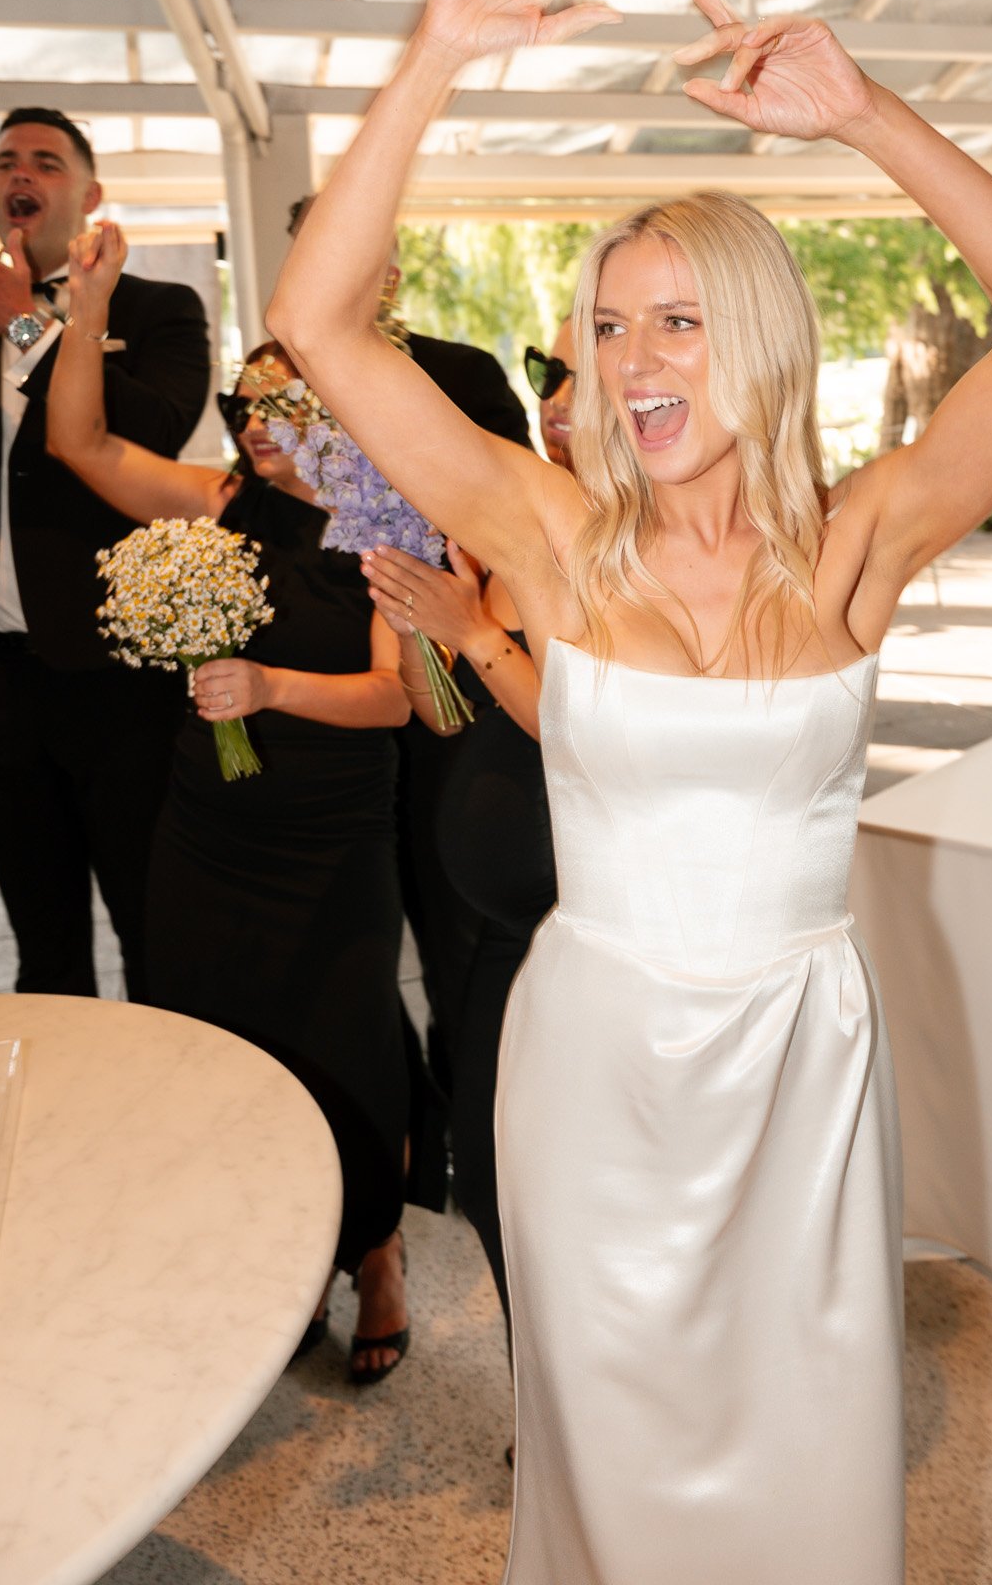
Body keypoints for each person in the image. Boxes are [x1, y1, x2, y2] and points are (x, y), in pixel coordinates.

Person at [267, 0, 992, 1584]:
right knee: (614, 1445)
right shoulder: (552, 536)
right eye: (605, 323)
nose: (632, 362)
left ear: (761, 330)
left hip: (801, 1066)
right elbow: (323, 321)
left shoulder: (864, 540)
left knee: (802, 1453)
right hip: (598, 1070)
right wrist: (437, 46)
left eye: (675, 319)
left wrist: (863, 115)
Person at [45, 222, 414, 1384]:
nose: (252, 421)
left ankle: (381, 1252)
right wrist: (90, 300)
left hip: (326, 841)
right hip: (206, 834)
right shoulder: (213, 505)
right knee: (224, 1043)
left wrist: (267, 684)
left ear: (340, 408)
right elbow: (80, 438)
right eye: (242, 401)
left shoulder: (384, 527)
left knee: (345, 1041)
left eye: (278, 401)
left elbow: (400, 698)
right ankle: (283, 1251)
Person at [0, 108, 209, 998]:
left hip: (115, 673)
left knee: (153, 924)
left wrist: (27, 326)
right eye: (7, 160)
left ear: (89, 196)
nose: (21, 173)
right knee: (41, 946)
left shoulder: (159, 308)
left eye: (47, 162)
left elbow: (158, 428)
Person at [289, 189, 532, 1144]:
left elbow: (515, 514)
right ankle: (397, 1135)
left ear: (389, 267)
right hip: (324, 700)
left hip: (444, 677)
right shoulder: (274, 386)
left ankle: (478, 1118)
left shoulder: (459, 373)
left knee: (455, 924)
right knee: (345, 943)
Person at [363, 315, 577, 1333]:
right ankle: (545, 1387)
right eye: (551, 370)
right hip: (485, 916)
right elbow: (440, 713)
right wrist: (417, 629)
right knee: (492, 1172)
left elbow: (596, 735)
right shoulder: (487, 543)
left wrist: (478, 634)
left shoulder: (625, 541)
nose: (560, 393)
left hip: (586, 909)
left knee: (582, 1170)